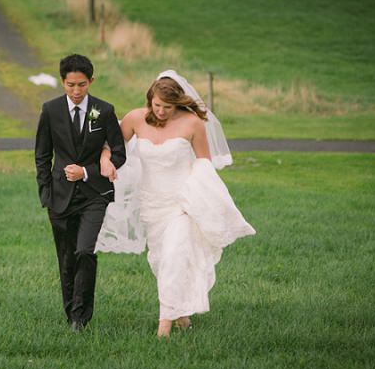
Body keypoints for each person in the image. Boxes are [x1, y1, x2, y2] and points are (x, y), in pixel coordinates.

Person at [97, 70, 255, 338]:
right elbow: (111, 145)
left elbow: (204, 165)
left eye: (167, 107)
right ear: (150, 99)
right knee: (162, 261)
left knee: (173, 258)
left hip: (181, 203)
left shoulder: (192, 123)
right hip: (151, 205)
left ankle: (164, 328)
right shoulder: (136, 118)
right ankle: (181, 315)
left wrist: (199, 201)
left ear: (177, 104)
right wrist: (105, 159)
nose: (160, 111)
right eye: (156, 105)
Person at [35, 54, 127, 332]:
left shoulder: (104, 110)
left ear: (91, 81)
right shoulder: (50, 110)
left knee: (85, 251)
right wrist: (46, 194)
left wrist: (88, 171)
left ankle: (80, 318)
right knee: (66, 259)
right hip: (60, 198)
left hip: (95, 195)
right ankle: (70, 313)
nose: (76, 92)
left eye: (82, 85)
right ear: (62, 82)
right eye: (71, 85)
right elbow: (42, 155)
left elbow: (119, 154)